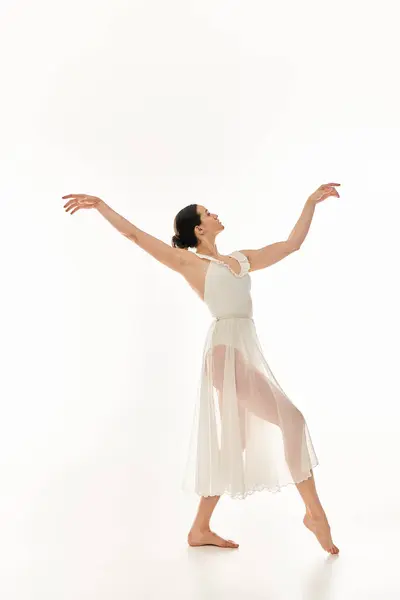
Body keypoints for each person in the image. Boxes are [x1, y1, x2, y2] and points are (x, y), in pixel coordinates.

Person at [62, 183, 340, 555]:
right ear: (198, 229)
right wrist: (101, 206)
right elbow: (135, 236)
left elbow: (291, 245)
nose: (214, 214)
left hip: (243, 350)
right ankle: (314, 512)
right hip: (226, 353)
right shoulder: (190, 263)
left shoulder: (240, 260)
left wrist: (310, 204)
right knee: (293, 420)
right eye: (207, 213)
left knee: (236, 444)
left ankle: (199, 528)